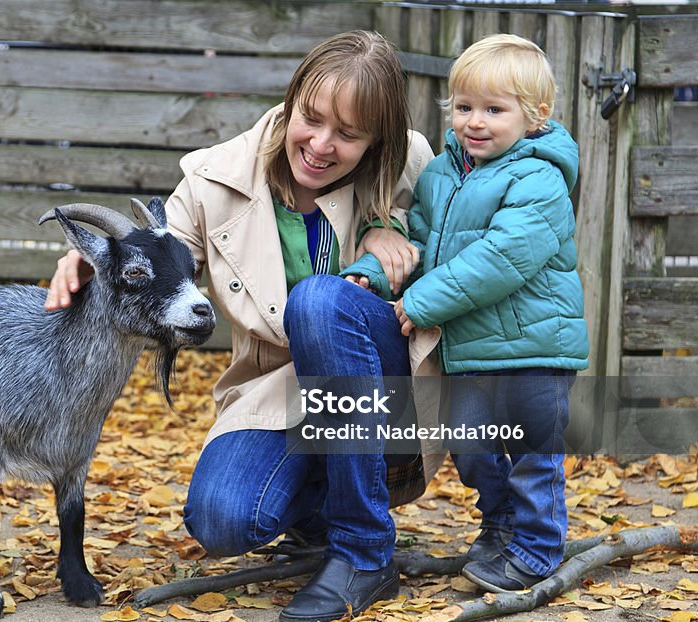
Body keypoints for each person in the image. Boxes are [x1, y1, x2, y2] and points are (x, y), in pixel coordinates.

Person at [46, 30, 442, 621]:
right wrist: (96, 258)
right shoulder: (213, 180)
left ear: (377, 139)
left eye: (349, 134)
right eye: (311, 118)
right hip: (278, 394)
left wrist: (396, 231)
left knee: (318, 304)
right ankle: (319, 519)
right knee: (224, 518)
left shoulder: (410, 161)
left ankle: (363, 549)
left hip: (382, 394)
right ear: (291, 99)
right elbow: (160, 254)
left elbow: (459, 253)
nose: (321, 144)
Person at [378, 33, 588, 592]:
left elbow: (501, 259)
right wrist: (378, 272)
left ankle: (539, 548)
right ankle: (498, 526)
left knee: (531, 454)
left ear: (535, 116)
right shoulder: (442, 174)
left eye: (494, 110)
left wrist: (420, 303)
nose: (475, 121)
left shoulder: (539, 178)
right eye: (465, 107)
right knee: (470, 445)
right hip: (470, 350)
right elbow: (415, 238)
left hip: (534, 348)